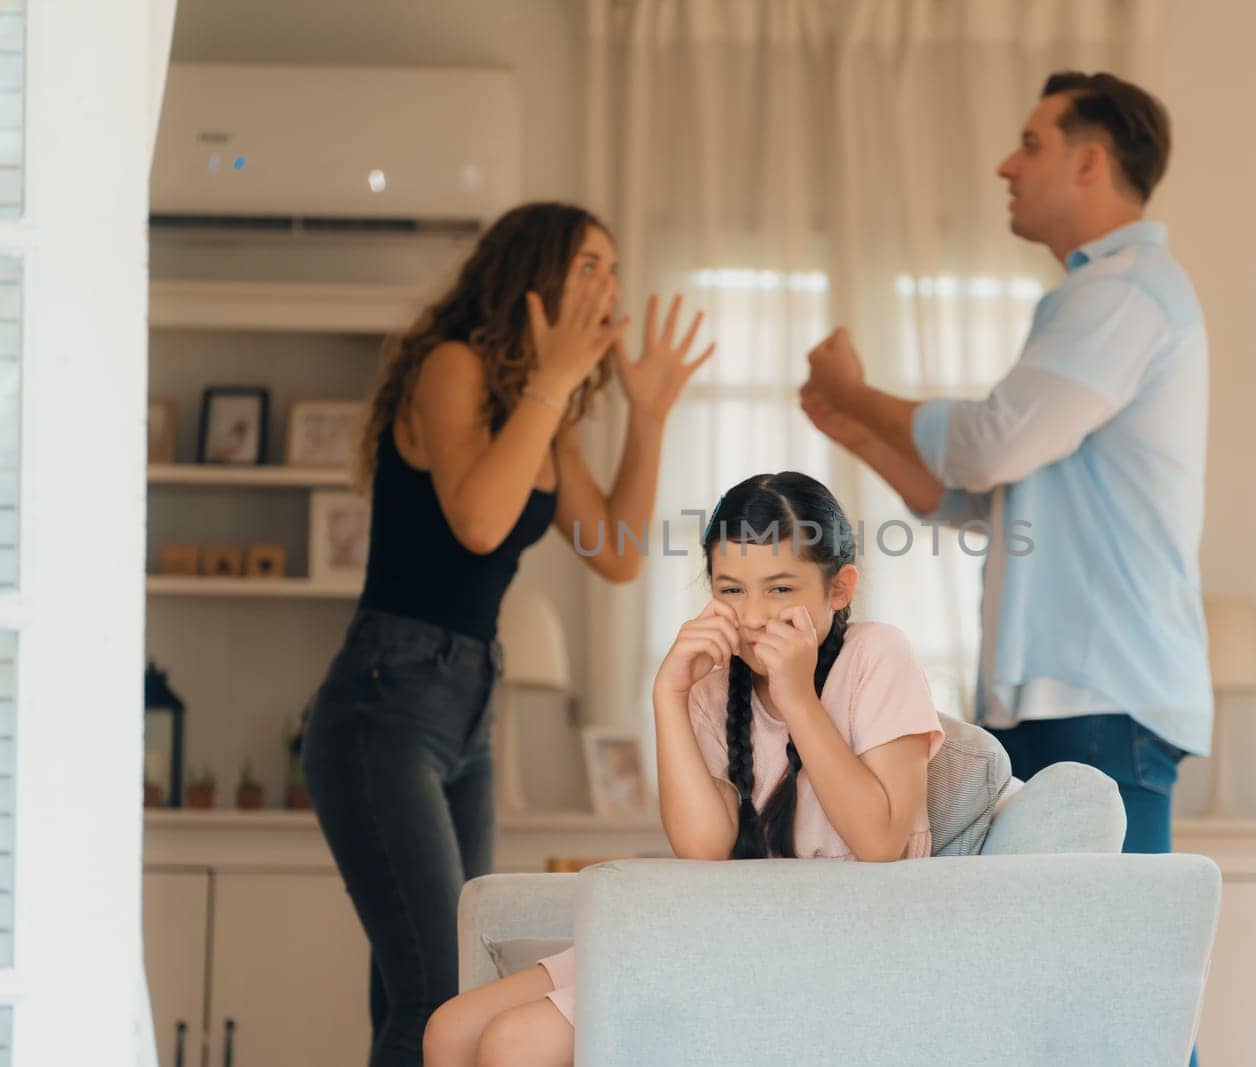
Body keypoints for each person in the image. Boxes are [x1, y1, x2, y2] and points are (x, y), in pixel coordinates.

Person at [799, 70, 1210, 1056]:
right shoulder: (1086, 302)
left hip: (1105, 695)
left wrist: (863, 388)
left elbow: (985, 443)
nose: (1004, 165)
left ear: (1089, 158)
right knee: (1052, 996)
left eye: (1028, 143)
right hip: (1063, 699)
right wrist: (850, 424)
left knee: (1121, 996)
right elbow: (974, 496)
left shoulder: (1128, 296)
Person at [300, 201, 714, 1067]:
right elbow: (481, 522)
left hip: (467, 708)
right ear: (533, 278)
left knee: (437, 967)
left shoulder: (546, 419)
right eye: (588, 266)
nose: (610, 286)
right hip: (386, 701)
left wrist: (647, 415)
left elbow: (617, 553)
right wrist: (553, 383)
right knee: (437, 988)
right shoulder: (451, 368)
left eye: (613, 267)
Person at [421, 472, 946, 1067]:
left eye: (780, 589)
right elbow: (703, 847)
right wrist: (668, 695)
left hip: (837, 942)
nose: (752, 617)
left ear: (840, 588)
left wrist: (797, 697)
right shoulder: (718, 682)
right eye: (731, 590)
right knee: (450, 1029)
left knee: (515, 1042)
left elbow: (880, 842)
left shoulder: (877, 655)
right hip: (727, 927)